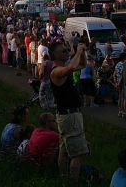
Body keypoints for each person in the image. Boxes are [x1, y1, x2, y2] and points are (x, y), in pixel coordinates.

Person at [50, 36, 90, 180]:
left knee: (65, 150)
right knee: (77, 154)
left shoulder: (63, 69)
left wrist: (82, 53)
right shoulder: (56, 72)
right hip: (69, 116)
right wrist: (78, 52)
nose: (67, 52)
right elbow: (72, 67)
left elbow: (81, 65)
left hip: (68, 115)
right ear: (55, 55)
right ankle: (73, 181)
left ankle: (64, 178)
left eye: (67, 50)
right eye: (64, 51)